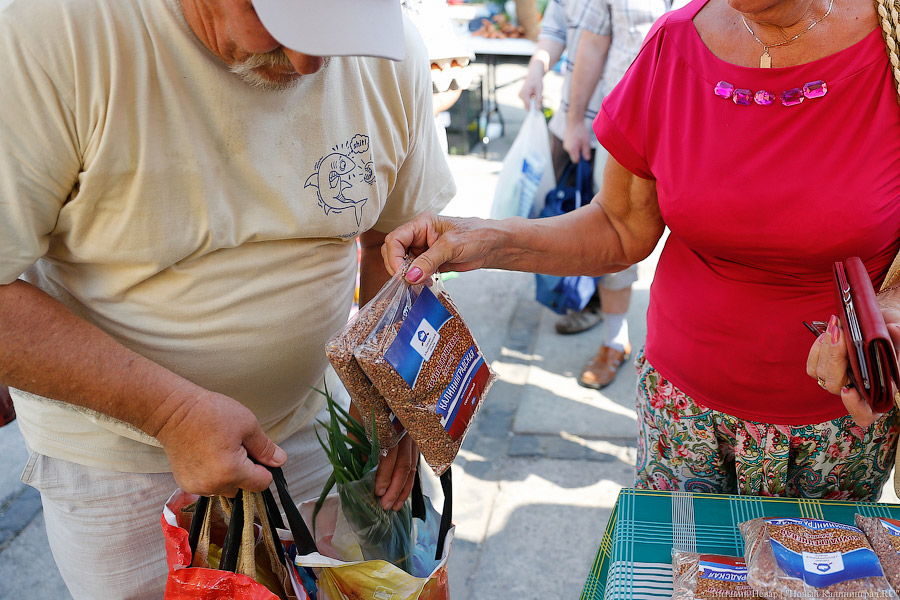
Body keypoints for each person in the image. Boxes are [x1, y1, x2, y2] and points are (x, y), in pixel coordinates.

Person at [0, 0, 455, 598]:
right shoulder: (51, 30)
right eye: (286, 29)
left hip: (317, 424)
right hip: (126, 458)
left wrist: (388, 396)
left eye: (335, 33)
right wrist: (171, 414)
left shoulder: (391, 47)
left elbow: (395, 243)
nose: (309, 63)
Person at [382, 0, 900, 501]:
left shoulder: (889, 42)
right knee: (679, 577)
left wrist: (890, 318)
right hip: (683, 421)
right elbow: (619, 226)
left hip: (839, 434)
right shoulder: (674, 45)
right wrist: (486, 239)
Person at [518, 0, 666, 389]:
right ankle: (615, 339)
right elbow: (589, 43)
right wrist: (573, 120)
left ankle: (688, 349)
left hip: (691, 123)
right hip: (621, 124)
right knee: (615, 232)